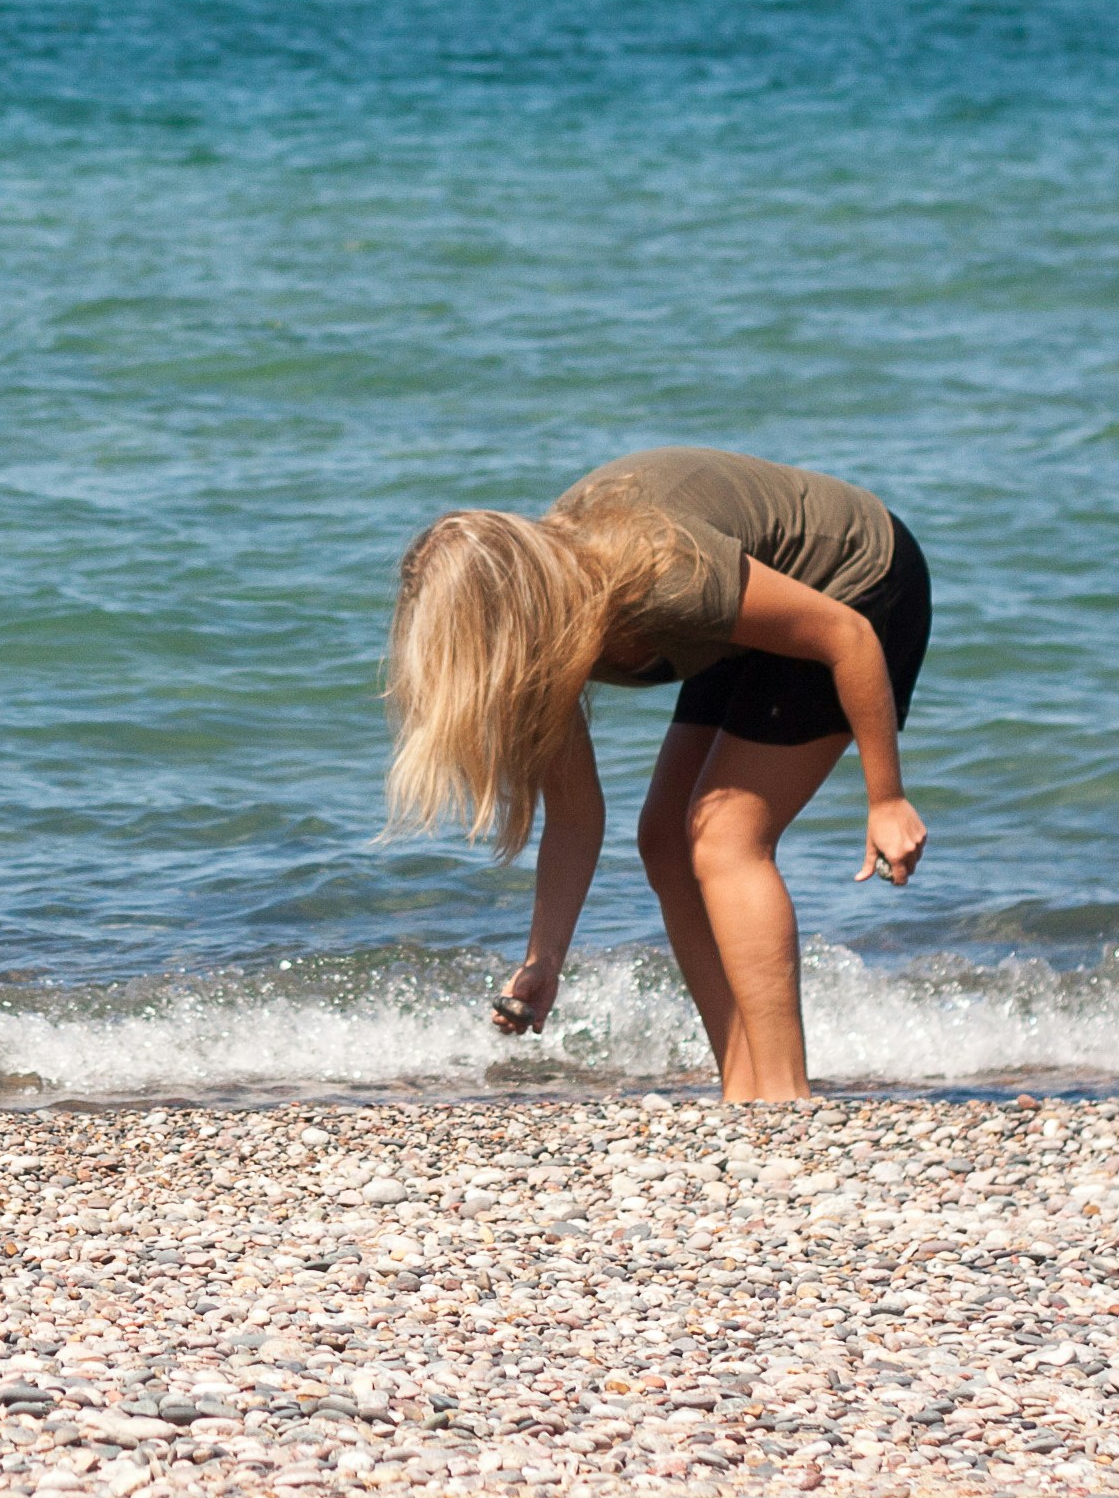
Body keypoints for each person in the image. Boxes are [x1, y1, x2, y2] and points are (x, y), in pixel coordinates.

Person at [384, 448, 932, 1100]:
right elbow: (576, 815)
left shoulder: (660, 576)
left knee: (725, 835)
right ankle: (742, 1086)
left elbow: (847, 636)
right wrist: (544, 961)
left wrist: (887, 796)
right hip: (741, 609)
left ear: (512, 624)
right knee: (664, 840)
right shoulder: (548, 637)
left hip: (855, 584)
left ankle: (786, 1102)